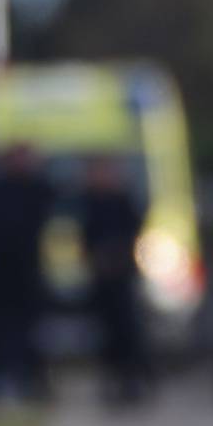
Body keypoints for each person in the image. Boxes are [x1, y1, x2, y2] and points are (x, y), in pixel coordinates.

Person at [0, 144, 54, 400]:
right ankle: (7, 379)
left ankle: (30, 379)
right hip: (2, 275)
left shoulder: (38, 189)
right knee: (4, 331)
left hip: (29, 273)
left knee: (31, 331)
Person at [78, 155, 149, 404]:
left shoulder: (123, 201)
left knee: (128, 331)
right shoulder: (89, 202)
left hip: (122, 275)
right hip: (101, 277)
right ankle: (112, 382)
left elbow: (135, 232)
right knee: (105, 332)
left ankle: (131, 381)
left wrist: (119, 256)